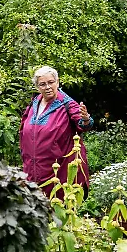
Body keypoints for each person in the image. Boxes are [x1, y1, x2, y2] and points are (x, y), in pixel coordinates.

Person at [19, 66, 93, 195]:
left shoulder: (67, 104)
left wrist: (85, 119)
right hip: (33, 169)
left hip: (58, 171)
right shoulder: (34, 103)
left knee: (57, 208)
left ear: (57, 82)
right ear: (37, 87)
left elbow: (83, 124)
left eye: (51, 82)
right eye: (42, 84)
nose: (47, 87)